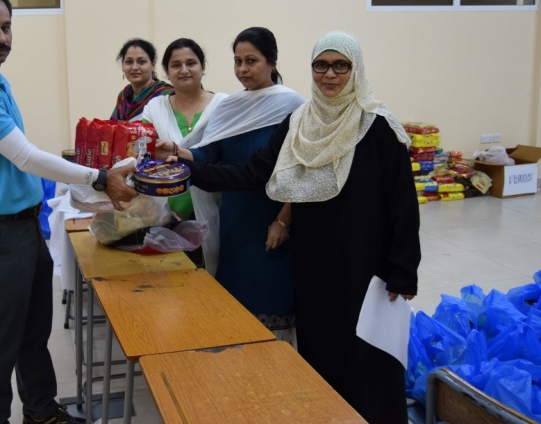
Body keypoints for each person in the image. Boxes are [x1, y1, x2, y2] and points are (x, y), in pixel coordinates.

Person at [179, 30, 421, 424]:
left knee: (368, 355)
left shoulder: (378, 125)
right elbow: (254, 171)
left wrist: (404, 268)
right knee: (321, 349)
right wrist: (189, 168)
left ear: (356, 69)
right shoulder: (300, 122)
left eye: (340, 66)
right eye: (320, 66)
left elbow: (402, 203)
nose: (330, 75)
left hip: (365, 263)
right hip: (313, 262)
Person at [0, 0, 137, 424]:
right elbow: (26, 157)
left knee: (33, 335)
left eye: (6, 27)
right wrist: (98, 177)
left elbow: (22, 159)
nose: (1, 37)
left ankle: (41, 414)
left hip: (24, 228)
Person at [156, 27, 304, 342]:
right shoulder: (231, 107)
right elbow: (209, 153)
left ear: (272, 61)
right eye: (238, 61)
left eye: (252, 61)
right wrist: (179, 152)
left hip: (271, 216)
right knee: (235, 297)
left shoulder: (292, 106)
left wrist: (283, 219)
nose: (243, 69)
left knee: (271, 298)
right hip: (235, 216)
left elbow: (301, 171)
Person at [140, 38, 227, 265]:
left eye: (191, 63)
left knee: (211, 273)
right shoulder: (155, 109)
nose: (184, 70)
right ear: (166, 71)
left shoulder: (223, 106)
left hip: (216, 207)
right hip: (166, 213)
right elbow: (142, 155)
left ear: (203, 66)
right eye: (176, 65)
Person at [110, 38, 172, 121]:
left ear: (153, 65)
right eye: (129, 62)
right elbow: (113, 126)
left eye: (141, 62)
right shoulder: (124, 96)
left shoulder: (166, 95)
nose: (134, 67)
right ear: (122, 66)